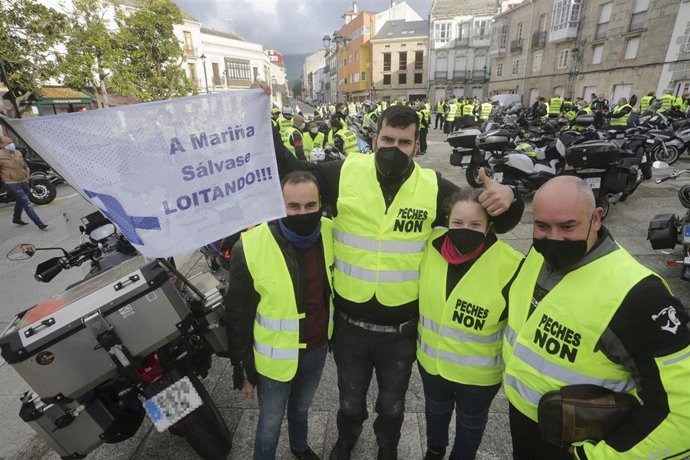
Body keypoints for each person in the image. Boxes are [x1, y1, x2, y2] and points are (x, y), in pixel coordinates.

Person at [272, 103, 523, 460]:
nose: (394, 148)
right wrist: (260, 118)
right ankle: (347, 438)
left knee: (392, 404)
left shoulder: (432, 186)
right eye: (387, 139)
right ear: (373, 139)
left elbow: (481, 213)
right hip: (350, 327)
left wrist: (511, 195)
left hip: (401, 330)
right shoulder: (343, 173)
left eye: (404, 142)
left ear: (417, 146)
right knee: (349, 397)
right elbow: (292, 172)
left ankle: (387, 445)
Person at [502, 176, 690, 459]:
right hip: (525, 423)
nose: (553, 237)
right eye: (542, 225)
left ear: (597, 218)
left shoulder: (639, 295)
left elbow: (682, 413)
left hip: (580, 443)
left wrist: (595, 457)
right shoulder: (538, 255)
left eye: (568, 226)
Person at [227, 171, 334, 460]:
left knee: (301, 408)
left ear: (320, 204)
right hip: (274, 359)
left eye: (310, 205)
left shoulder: (330, 232)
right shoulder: (249, 246)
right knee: (270, 423)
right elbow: (236, 315)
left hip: (315, 348)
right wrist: (243, 367)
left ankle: (299, 447)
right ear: (278, 205)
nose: (303, 213)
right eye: (293, 206)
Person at [417, 189, 523, 460]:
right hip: (432, 364)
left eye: (475, 224)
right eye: (457, 223)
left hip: (478, 378)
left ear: (489, 227)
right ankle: (434, 449)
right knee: (435, 412)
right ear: (447, 221)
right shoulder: (430, 245)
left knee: (470, 424)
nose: (465, 230)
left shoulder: (512, 264)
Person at [0, 136, 47, 229]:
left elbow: (25, 166)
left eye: (11, 142)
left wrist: (28, 177)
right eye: (8, 143)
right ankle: (39, 223)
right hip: (12, 183)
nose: (11, 144)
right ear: (1, 145)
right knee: (27, 203)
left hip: (23, 181)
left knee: (20, 201)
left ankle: (16, 218)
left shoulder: (17, 153)